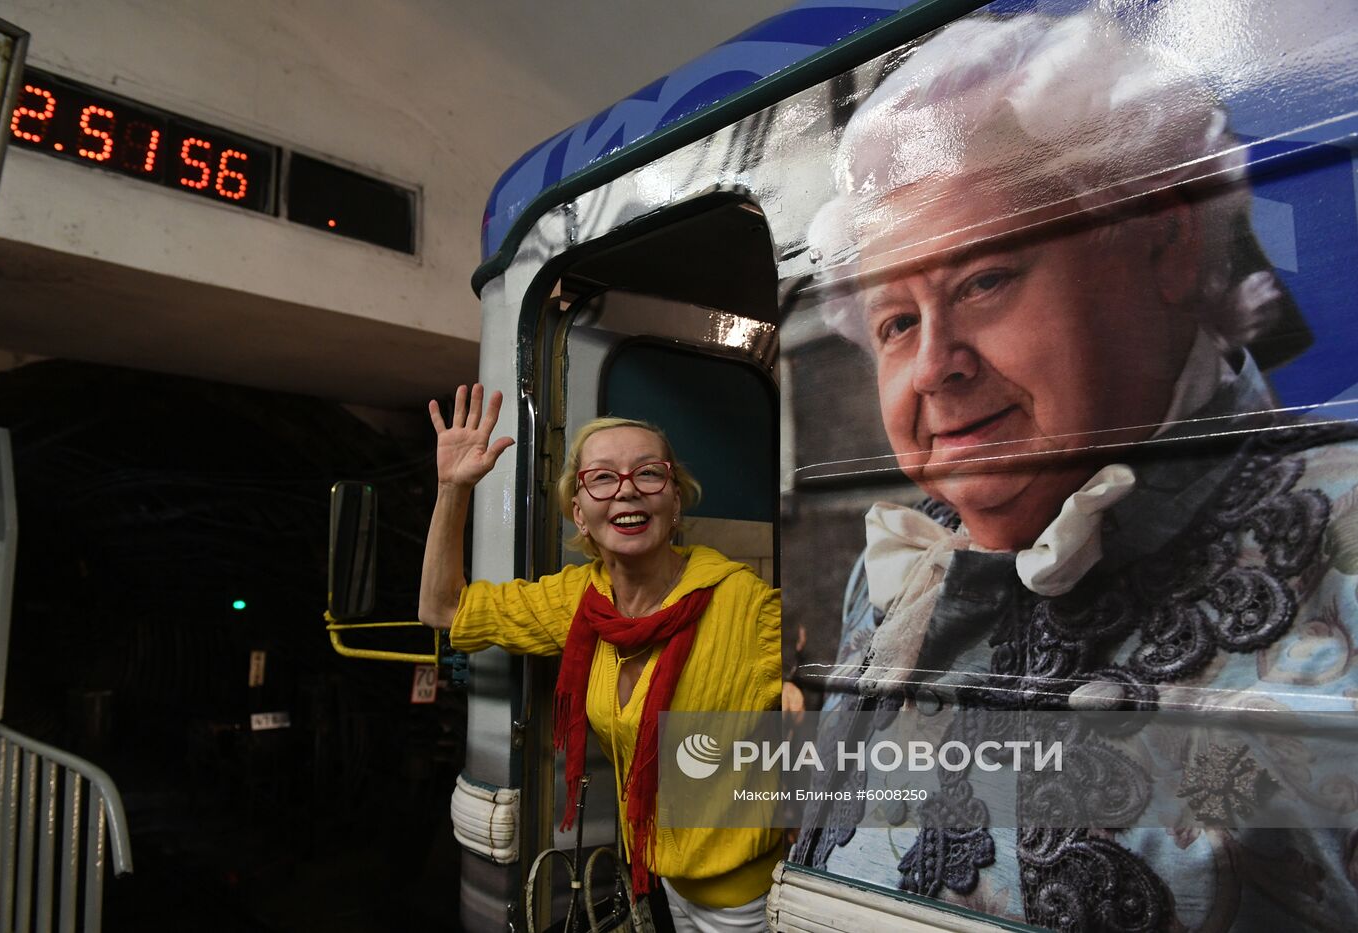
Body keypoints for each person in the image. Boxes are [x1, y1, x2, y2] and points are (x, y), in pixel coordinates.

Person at [788, 8, 1358, 932]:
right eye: (896, 323)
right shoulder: (897, 562)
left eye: (984, 280)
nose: (935, 364)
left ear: (1164, 246)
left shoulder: (1342, 535)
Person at [418, 385, 783, 932]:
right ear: (580, 513)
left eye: (649, 474)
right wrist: (452, 490)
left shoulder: (746, 605)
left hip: (746, 897)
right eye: (604, 478)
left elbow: (845, 724)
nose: (627, 492)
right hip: (659, 877)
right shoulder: (578, 601)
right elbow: (442, 608)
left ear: (675, 501)